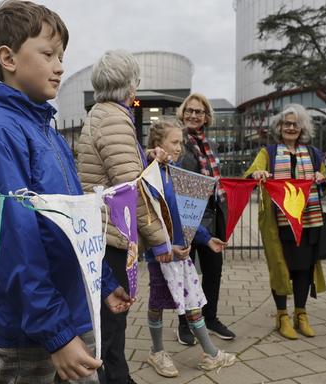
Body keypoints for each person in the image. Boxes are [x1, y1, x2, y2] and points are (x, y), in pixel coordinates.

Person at [0, 2, 133, 382]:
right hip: (34, 332)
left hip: (72, 312)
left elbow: (75, 223)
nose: (60, 66)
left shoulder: (47, 132)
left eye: (62, 56)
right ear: (8, 58)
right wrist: (56, 334)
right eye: (48, 53)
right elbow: (13, 247)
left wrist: (102, 282)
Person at [73, 49, 171, 384]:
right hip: (112, 235)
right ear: (129, 85)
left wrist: (145, 156)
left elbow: (115, 170)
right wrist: (159, 239)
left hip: (100, 231)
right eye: (136, 83)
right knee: (113, 321)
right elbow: (130, 190)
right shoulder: (116, 118)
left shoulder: (99, 114)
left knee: (106, 323)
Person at [141, 118, 236, 378]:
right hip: (161, 255)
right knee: (158, 302)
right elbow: (146, 218)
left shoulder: (174, 172)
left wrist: (206, 238)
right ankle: (157, 352)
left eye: (180, 142)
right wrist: (166, 246)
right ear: (158, 144)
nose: (179, 147)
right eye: (174, 142)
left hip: (181, 253)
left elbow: (186, 215)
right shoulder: (149, 175)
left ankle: (211, 354)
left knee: (193, 302)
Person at [243, 104, 326, 340]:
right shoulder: (268, 153)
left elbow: (324, 182)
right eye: (286, 124)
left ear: (302, 128)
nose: (291, 127)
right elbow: (252, 172)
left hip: (309, 221)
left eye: (295, 124)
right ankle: (282, 316)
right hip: (279, 223)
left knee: (303, 269)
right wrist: (258, 174)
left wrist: (321, 178)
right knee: (281, 268)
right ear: (279, 128)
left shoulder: (314, 154)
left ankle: (301, 313)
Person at [174, 93, 236, 345]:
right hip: (186, 215)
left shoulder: (209, 145)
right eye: (189, 110)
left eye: (199, 111)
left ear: (207, 116)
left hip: (211, 215)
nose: (193, 115)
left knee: (213, 271)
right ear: (183, 112)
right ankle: (184, 324)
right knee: (185, 273)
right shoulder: (178, 140)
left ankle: (210, 317)